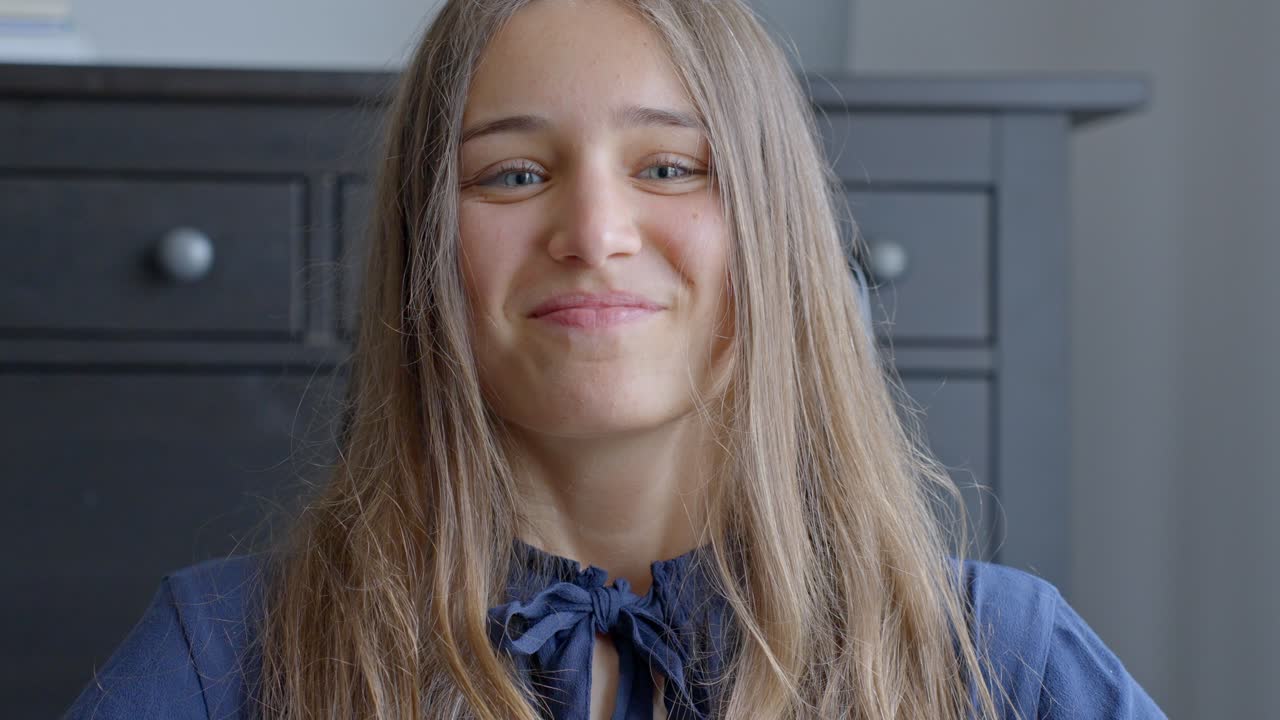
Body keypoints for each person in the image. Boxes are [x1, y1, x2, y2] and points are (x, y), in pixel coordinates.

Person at [64, 1, 1168, 718]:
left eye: (671, 168)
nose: (593, 232)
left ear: (773, 232)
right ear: (427, 251)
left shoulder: (1000, 662)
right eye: (511, 175)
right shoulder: (225, 656)